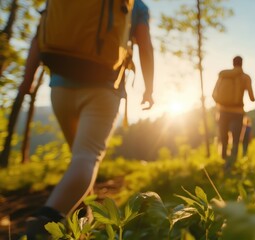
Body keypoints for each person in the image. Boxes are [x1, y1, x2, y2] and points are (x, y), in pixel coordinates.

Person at [19, 1, 154, 238]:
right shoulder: (136, 5)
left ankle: (83, 221)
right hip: (104, 87)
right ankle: (46, 220)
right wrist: (149, 89)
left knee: (79, 159)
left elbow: (39, 36)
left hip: (60, 87)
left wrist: (27, 79)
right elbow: (145, 45)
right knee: (86, 157)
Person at [213, 56, 255, 172]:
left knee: (223, 137)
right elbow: (252, 98)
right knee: (235, 140)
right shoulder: (246, 77)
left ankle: (223, 162)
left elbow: (214, 94)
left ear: (232, 63)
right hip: (237, 112)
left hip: (222, 111)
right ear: (242, 63)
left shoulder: (223, 75)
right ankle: (231, 165)